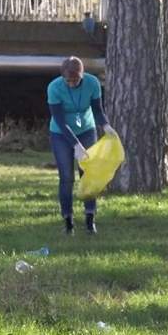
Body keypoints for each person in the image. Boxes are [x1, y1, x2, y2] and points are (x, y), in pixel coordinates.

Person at [48, 56, 115, 234]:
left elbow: (98, 110)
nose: (72, 84)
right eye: (68, 81)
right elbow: (61, 121)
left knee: (89, 174)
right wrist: (76, 146)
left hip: (86, 129)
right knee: (67, 177)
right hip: (60, 133)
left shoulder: (92, 83)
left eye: (75, 80)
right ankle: (68, 221)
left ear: (82, 75)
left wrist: (106, 126)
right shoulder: (54, 88)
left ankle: (90, 219)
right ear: (62, 77)